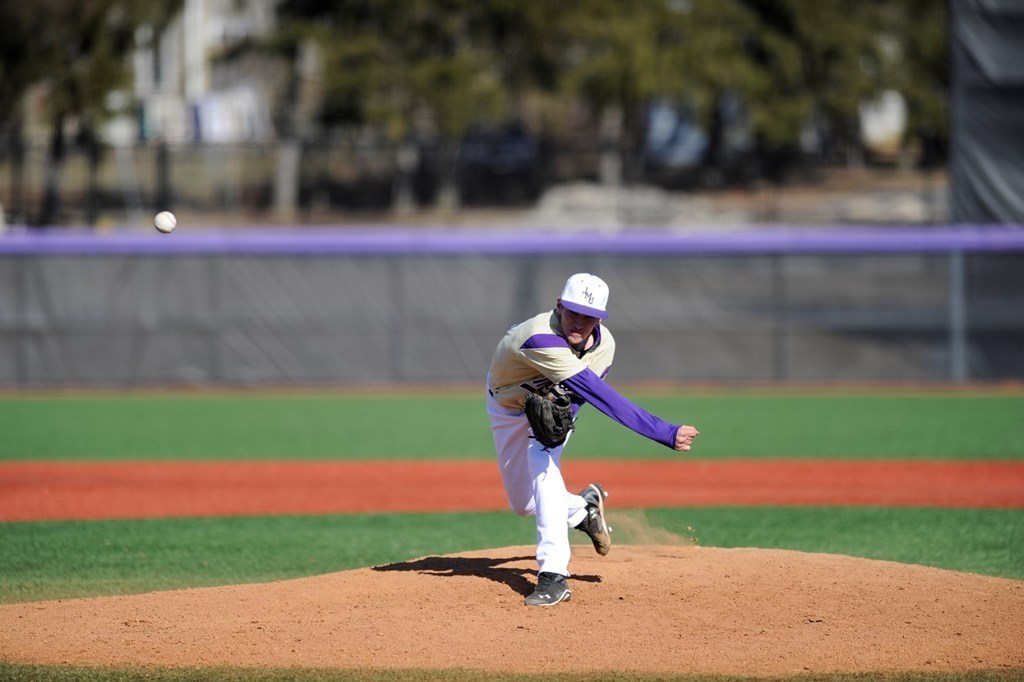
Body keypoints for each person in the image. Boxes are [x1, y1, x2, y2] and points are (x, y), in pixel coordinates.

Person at [486, 273, 700, 606]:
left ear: (599, 319)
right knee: (523, 504)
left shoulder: (605, 345)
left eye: (588, 316)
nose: (579, 322)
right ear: (559, 305)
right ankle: (582, 510)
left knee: (543, 464)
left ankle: (553, 575)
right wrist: (664, 431)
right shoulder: (539, 336)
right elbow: (602, 395)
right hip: (508, 407)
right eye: (573, 312)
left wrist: (561, 422)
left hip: (548, 407)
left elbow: (577, 398)